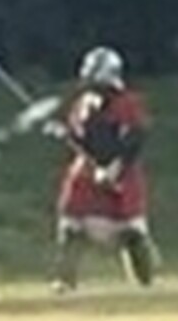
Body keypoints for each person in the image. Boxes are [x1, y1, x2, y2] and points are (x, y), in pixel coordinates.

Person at [48, 45, 158, 292]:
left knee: (132, 231)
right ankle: (65, 279)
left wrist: (115, 168)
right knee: (71, 226)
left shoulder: (127, 103)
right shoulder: (83, 104)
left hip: (122, 174)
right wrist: (64, 133)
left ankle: (146, 281)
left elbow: (135, 138)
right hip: (88, 172)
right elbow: (83, 140)